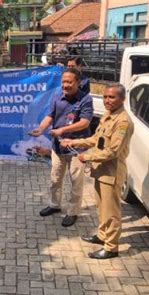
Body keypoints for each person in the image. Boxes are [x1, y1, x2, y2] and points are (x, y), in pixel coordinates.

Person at [60, 83, 134, 259]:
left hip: (112, 173)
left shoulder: (122, 121)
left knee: (111, 211)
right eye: (106, 97)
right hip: (101, 170)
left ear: (122, 99)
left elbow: (113, 151)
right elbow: (96, 139)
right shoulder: (108, 115)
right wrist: (74, 142)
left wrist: (87, 157)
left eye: (112, 97)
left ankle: (111, 247)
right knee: (101, 208)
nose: (107, 101)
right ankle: (102, 236)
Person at [31, 68, 94, 227]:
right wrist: (41, 128)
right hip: (58, 147)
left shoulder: (85, 99)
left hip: (77, 147)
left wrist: (62, 130)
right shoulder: (57, 96)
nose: (65, 85)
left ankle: (72, 212)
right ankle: (54, 205)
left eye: (69, 82)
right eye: (63, 82)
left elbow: (85, 123)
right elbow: (49, 115)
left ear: (78, 83)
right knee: (55, 179)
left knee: (76, 182)